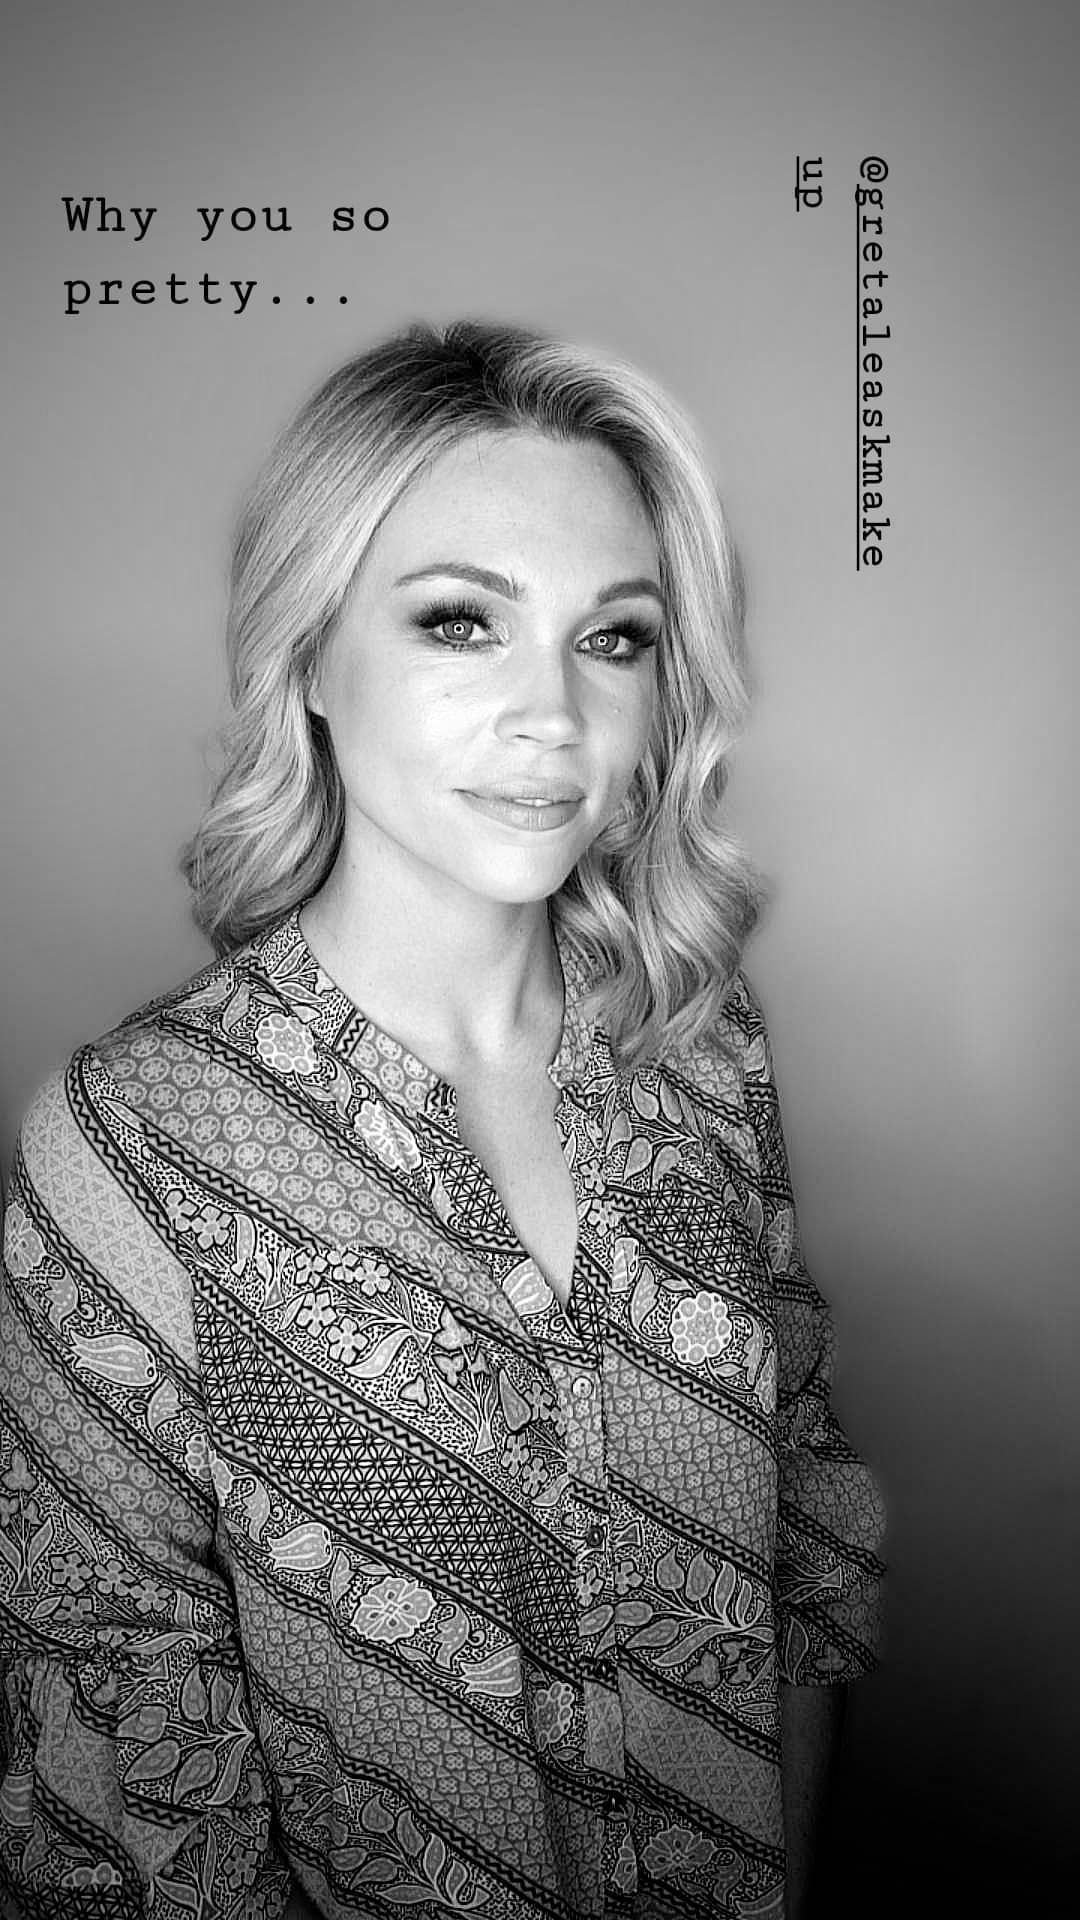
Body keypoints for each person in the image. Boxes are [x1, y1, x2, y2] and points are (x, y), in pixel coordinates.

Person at [0, 320, 885, 1920]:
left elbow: (805, 1538)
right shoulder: (134, 1144)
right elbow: (130, 1763)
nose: (553, 714)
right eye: (462, 622)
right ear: (308, 658)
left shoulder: (700, 1051)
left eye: (613, 638)